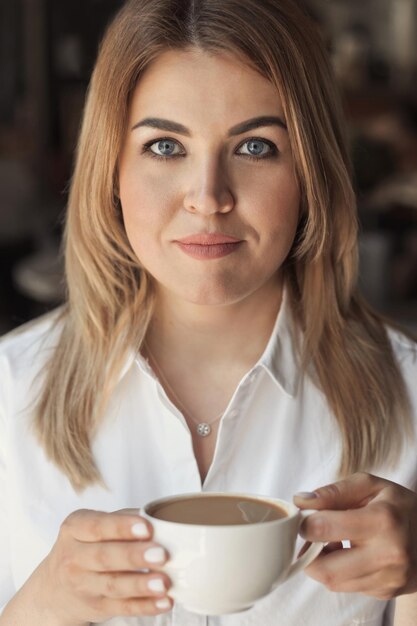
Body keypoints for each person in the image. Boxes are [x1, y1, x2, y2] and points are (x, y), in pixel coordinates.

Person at [0, 0, 416, 624]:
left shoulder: (411, 394)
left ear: (310, 171)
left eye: (254, 146)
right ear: (111, 170)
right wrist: (43, 604)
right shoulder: (9, 391)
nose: (208, 198)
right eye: (165, 145)